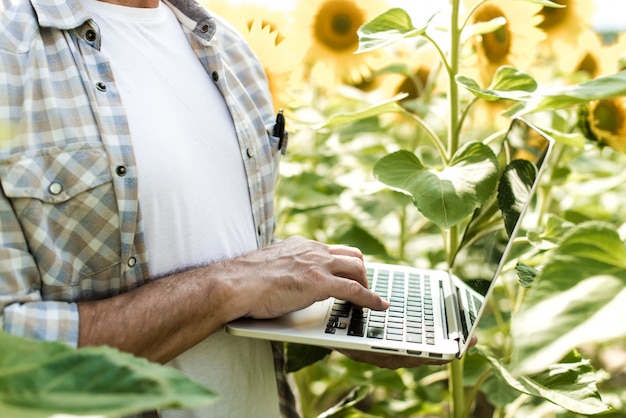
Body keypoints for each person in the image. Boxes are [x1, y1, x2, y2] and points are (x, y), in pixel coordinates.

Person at [0, 0, 469, 416]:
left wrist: (338, 317)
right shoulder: (11, 55)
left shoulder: (228, 48)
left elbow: (239, 256)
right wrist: (228, 287)